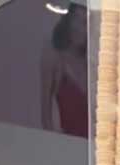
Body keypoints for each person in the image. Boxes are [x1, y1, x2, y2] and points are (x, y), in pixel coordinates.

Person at [41, 2, 88, 138]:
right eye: (77, 20)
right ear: (69, 22)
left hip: (94, 147)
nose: (81, 28)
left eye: (85, 22)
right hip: (69, 146)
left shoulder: (91, 63)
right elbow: (46, 116)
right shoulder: (54, 58)